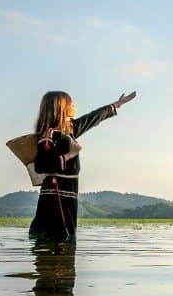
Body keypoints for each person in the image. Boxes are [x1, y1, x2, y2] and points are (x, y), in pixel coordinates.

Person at [29, 90, 136, 241]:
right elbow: (41, 165)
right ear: (60, 108)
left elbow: (92, 118)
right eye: (70, 103)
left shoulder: (69, 130)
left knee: (67, 239)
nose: (73, 106)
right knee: (58, 238)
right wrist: (70, 154)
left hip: (69, 195)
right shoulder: (48, 135)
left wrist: (117, 104)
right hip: (55, 197)